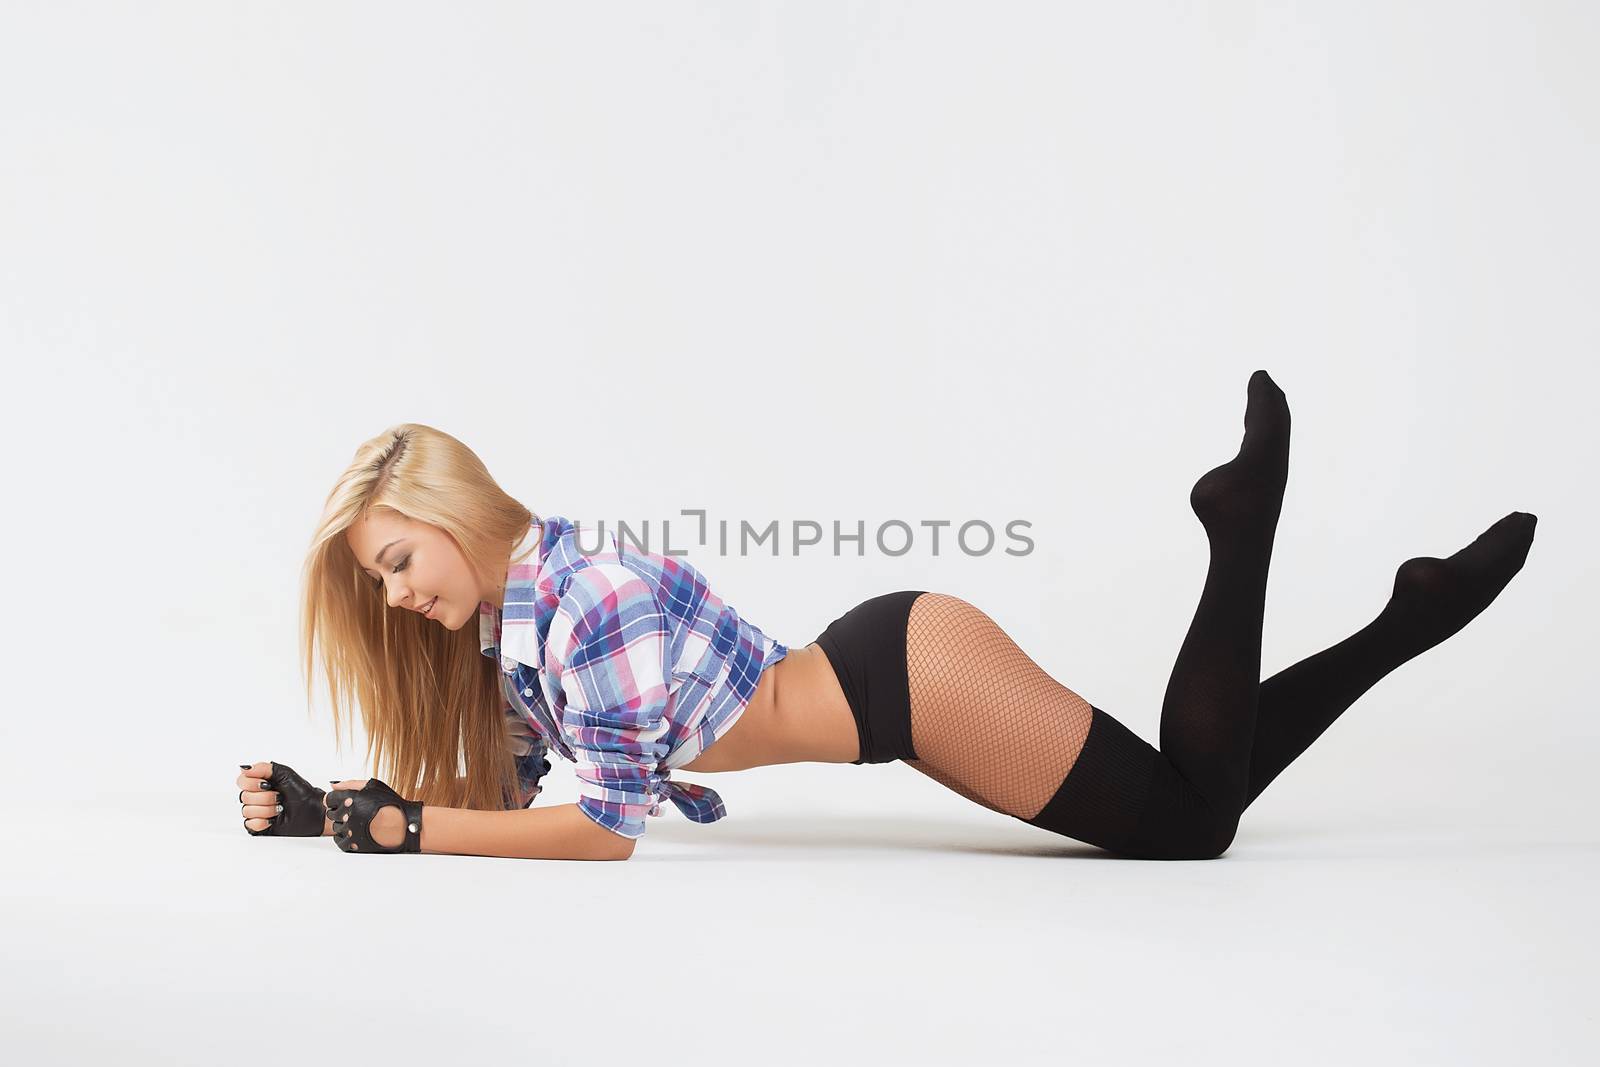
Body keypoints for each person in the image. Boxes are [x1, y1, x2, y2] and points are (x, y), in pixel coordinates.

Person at [235, 371, 1537, 860]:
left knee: (1194, 827)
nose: (398, 596)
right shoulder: (511, 636)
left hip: (910, 681)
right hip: (892, 682)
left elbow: (603, 836)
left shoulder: (585, 605)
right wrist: (325, 809)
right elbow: (514, 797)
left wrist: (401, 837)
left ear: (456, 517)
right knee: (1202, 791)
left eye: (400, 560)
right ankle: (1409, 621)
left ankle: (1241, 536)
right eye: (380, 582)